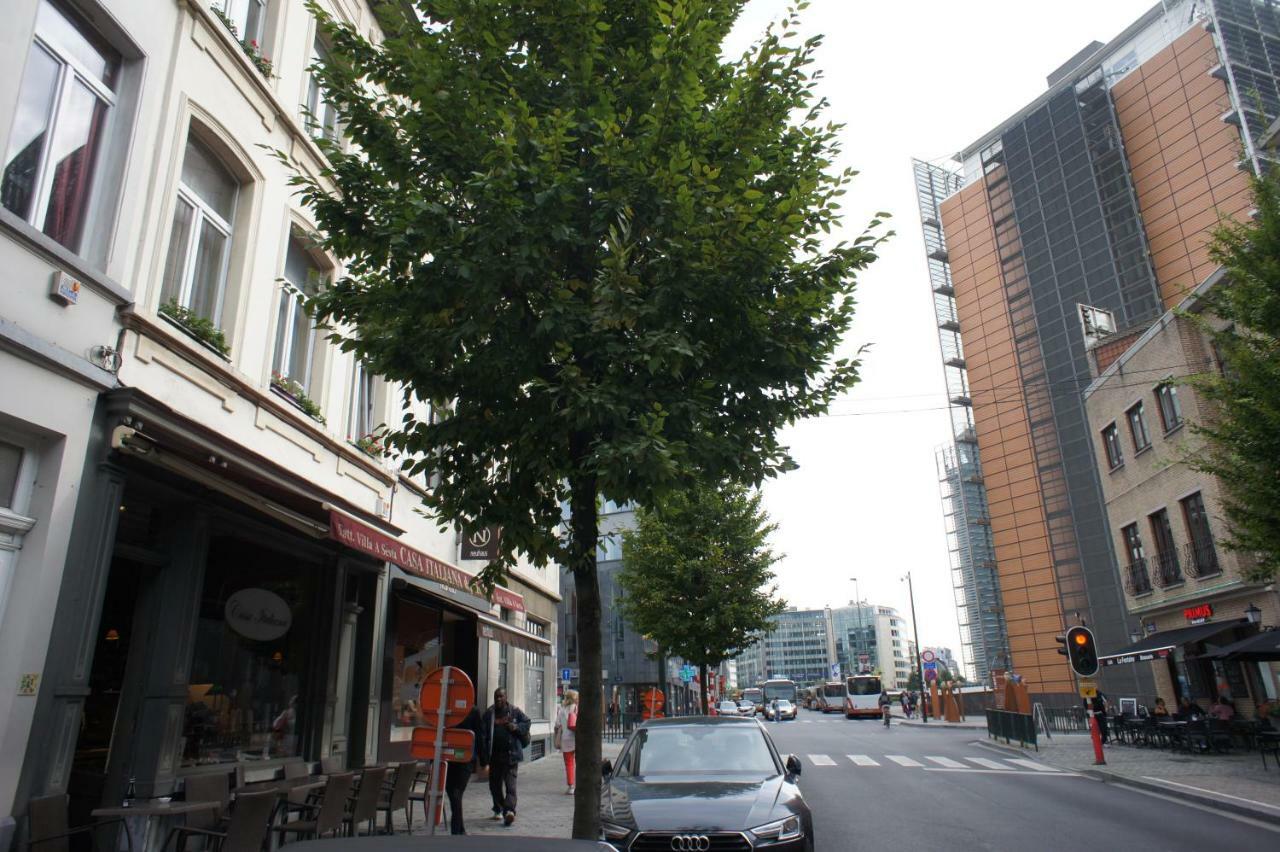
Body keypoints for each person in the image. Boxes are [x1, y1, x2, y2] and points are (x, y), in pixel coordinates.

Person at [477, 688, 530, 826]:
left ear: (506, 697)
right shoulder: (489, 713)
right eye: (496, 697)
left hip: (511, 756)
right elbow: (482, 737)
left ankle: (509, 811)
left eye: (501, 696)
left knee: (510, 785)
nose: (498, 699)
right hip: (494, 757)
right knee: (494, 786)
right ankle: (499, 808)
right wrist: (484, 760)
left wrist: (516, 727)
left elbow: (527, 722)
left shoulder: (514, 711)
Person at [445, 704, 483, 835]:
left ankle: (456, 830)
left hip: (465, 759)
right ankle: (460, 829)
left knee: (456, 792)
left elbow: (479, 736)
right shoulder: (446, 708)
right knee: (452, 791)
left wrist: (484, 761)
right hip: (449, 759)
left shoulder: (473, 711)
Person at [554, 690, 579, 795]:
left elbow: (557, 725)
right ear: (574, 698)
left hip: (566, 739)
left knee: (569, 763)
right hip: (578, 738)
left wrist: (557, 734)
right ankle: (580, 784)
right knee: (580, 763)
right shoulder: (577, 708)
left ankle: (571, 786)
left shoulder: (561, 710)